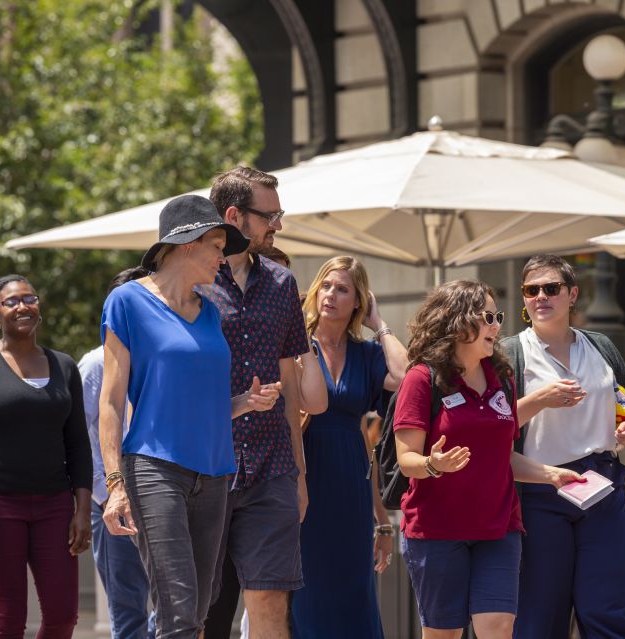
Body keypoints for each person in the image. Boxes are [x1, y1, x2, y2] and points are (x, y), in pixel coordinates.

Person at [99, 194, 282, 637]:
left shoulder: (213, 308)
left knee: (199, 609)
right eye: (217, 246)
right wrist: (115, 485)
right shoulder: (127, 302)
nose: (223, 257)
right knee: (178, 613)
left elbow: (202, 402)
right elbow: (110, 401)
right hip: (155, 470)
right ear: (185, 245)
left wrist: (244, 403)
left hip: (216, 474)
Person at [394, 279, 583, 639]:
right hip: (437, 529)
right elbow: (406, 459)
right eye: (487, 317)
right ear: (457, 320)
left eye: (498, 316)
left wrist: (550, 475)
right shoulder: (422, 379)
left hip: (499, 527)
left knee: (498, 626)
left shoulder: (503, 378)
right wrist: (434, 464)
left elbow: (504, 457)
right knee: (443, 633)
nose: (496, 325)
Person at [201, 166, 328, 639]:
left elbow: (290, 381)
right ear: (234, 216)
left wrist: (298, 470)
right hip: (204, 466)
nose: (278, 226)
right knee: (201, 606)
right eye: (270, 216)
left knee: (271, 599)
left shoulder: (281, 284)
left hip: (272, 465)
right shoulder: (186, 284)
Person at [499, 254, 625, 639]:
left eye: (551, 288)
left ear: (572, 294)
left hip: (602, 483)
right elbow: (488, 429)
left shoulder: (600, 346)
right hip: (540, 488)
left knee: (607, 607)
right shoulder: (509, 354)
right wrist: (539, 400)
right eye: (531, 290)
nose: (541, 297)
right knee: (541, 613)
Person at [290, 256, 409, 638]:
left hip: (351, 483)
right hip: (303, 477)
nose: (330, 295)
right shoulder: (294, 344)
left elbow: (405, 376)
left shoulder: (366, 352)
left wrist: (380, 324)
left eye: (343, 289)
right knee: (308, 593)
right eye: (326, 285)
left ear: (359, 300)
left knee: (355, 594)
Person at [0, 274, 92, 639]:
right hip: (2, 505)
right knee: (7, 621)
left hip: (55, 506)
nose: (22, 306)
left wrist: (81, 510)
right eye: (10, 301)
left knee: (63, 616)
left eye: (29, 298)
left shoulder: (64, 366)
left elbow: (78, 444)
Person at [79, 266, 154, 639]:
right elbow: (80, 434)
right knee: (127, 609)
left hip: (163, 496)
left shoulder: (161, 360)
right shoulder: (94, 364)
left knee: (179, 602)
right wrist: (105, 492)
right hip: (113, 500)